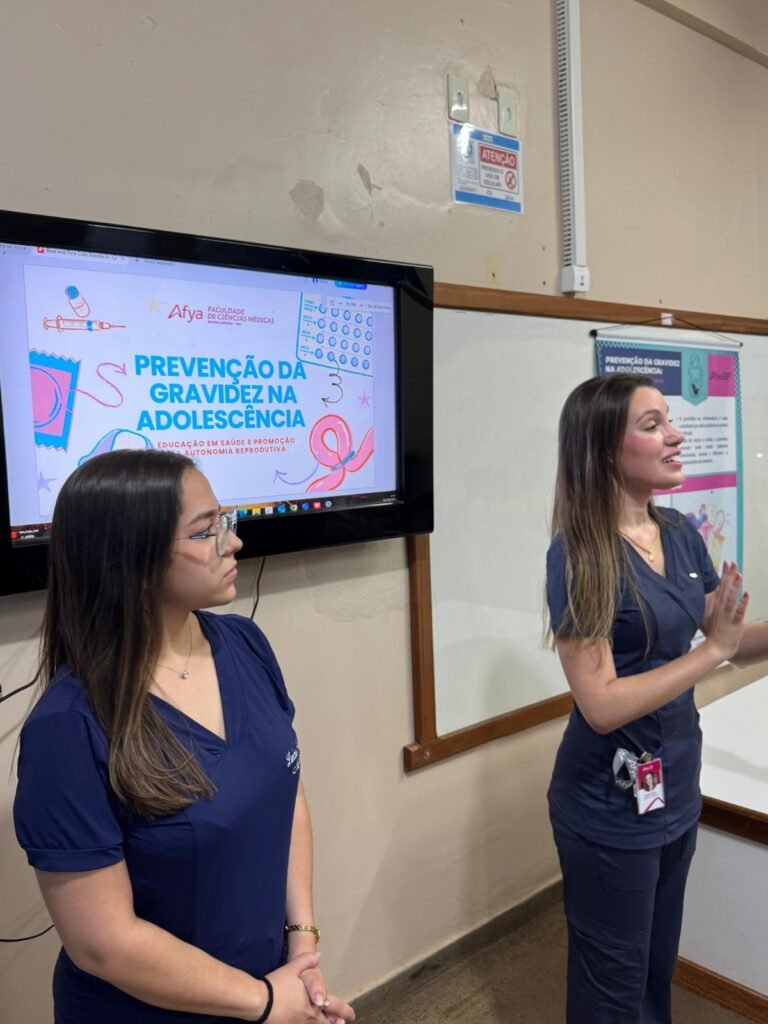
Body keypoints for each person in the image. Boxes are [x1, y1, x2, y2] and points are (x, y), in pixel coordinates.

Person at [13, 449, 355, 1024]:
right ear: (129, 556)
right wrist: (267, 1002)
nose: (233, 542)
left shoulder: (245, 645)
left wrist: (301, 947)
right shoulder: (68, 728)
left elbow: (286, 791)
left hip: (270, 985)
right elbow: (104, 944)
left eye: (226, 521)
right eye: (204, 531)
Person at [546, 373, 768, 1024]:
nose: (676, 436)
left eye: (669, 419)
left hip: (675, 783)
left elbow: (726, 637)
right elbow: (601, 704)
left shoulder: (679, 531)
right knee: (611, 984)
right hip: (608, 804)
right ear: (604, 449)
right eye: (652, 425)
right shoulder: (579, 555)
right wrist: (711, 652)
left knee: (653, 967)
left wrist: (725, 644)